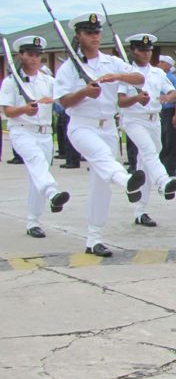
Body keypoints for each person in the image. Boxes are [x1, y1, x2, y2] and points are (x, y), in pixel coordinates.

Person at [53, 13, 147, 257]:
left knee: (101, 185)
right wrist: (84, 92)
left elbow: (140, 78)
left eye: (97, 32)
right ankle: (126, 180)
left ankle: (94, 239)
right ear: (79, 36)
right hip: (82, 126)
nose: (95, 36)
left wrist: (118, 76)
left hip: (108, 128)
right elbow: (63, 102)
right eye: (89, 32)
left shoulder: (111, 62)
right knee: (103, 156)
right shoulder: (70, 67)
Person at [0, 35, 71, 238]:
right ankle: (53, 192)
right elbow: (7, 111)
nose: (34, 59)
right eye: (30, 54)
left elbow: (64, 100)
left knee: (37, 175)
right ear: (21, 56)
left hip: (45, 134)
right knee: (37, 162)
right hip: (22, 130)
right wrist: (24, 109)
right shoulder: (11, 82)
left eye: (37, 55)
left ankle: (33, 221)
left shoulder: (48, 81)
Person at [117, 34, 176, 228]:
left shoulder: (157, 73)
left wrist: (167, 98)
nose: (146, 54)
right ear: (133, 51)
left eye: (149, 50)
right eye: (142, 50)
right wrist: (136, 99)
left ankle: (140, 211)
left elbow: (173, 92)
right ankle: (163, 182)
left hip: (154, 120)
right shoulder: (127, 73)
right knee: (149, 152)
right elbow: (121, 101)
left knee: (145, 164)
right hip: (134, 120)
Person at [158, 55, 176, 177]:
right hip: (163, 111)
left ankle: (171, 168)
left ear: (168, 65)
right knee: (163, 139)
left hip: (171, 110)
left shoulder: (172, 78)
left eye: (162, 62)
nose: (159, 64)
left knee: (170, 140)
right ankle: (163, 165)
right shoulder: (161, 76)